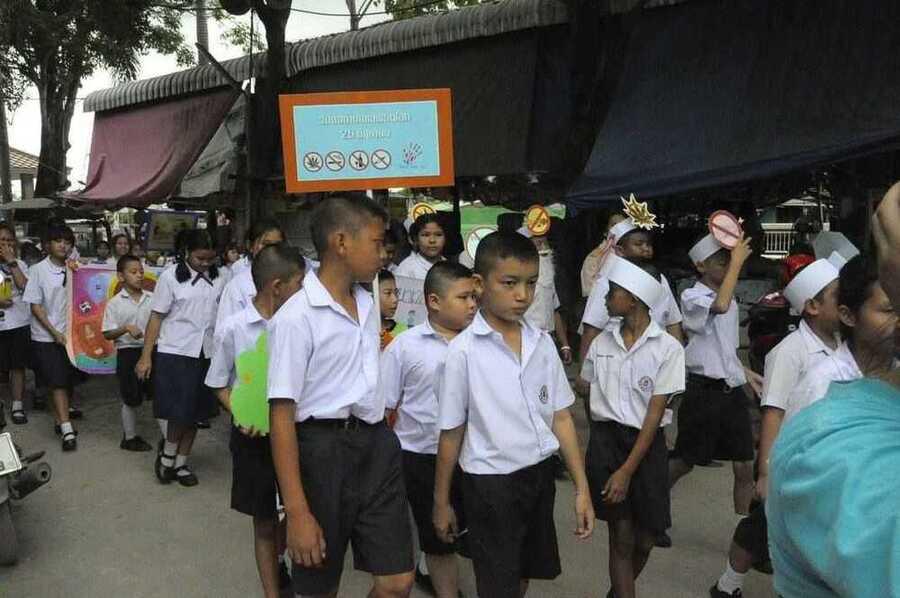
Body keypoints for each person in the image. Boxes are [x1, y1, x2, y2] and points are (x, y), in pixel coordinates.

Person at [268, 195, 415, 598]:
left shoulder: (368, 304)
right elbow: (281, 416)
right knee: (319, 585)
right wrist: (297, 511)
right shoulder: (296, 318)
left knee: (397, 581)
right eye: (377, 242)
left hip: (376, 445)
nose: (384, 253)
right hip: (322, 452)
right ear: (341, 242)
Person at [433, 231, 594, 598]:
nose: (523, 295)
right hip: (490, 485)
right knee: (497, 582)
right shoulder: (463, 353)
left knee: (524, 572)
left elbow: (561, 417)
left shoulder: (542, 343)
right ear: (479, 284)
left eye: (531, 283)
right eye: (509, 283)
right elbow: (451, 433)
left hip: (537, 477)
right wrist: (441, 502)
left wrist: (581, 488)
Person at [765, 185, 900, 598]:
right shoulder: (821, 398)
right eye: (888, 309)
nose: (895, 320)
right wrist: (765, 475)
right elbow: (776, 414)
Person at [708, 251, 844, 597]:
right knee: (761, 526)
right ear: (812, 306)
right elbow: (774, 411)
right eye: (838, 296)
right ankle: (728, 585)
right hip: (791, 459)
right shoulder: (789, 352)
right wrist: (766, 471)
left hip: (828, 458)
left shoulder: (843, 347)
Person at [581, 257, 685, 598]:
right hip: (607, 443)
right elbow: (587, 389)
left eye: (613, 292)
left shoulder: (668, 349)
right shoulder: (602, 343)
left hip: (645, 442)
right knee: (621, 535)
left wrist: (626, 471)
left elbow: (655, 414)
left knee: (647, 537)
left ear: (634, 300)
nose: (606, 298)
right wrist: (600, 443)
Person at [206, 244, 304, 598]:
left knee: (295, 509)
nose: (304, 290)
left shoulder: (302, 323)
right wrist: (241, 412)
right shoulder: (234, 328)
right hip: (254, 438)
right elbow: (218, 383)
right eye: (299, 283)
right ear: (277, 286)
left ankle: (283, 560)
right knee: (264, 519)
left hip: (298, 434)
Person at [381, 261, 477, 598]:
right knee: (439, 539)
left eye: (474, 297)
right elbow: (385, 406)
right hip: (421, 456)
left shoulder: (483, 343)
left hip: (475, 456)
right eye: (463, 297)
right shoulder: (405, 347)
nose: (472, 304)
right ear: (434, 301)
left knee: (478, 535)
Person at [667, 233, 759, 538]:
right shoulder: (692, 296)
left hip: (729, 391)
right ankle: (653, 507)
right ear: (700, 266)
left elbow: (722, 349)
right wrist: (737, 262)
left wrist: (745, 373)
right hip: (703, 392)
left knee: (744, 463)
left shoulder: (729, 298)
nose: (727, 266)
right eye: (720, 262)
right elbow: (718, 305)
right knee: (685, 461)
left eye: (728, 261)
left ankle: (740, 530)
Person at [136, 229, 226, 487]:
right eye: (200, 259)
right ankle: (167, 455)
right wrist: (145, 356)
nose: (205, 264)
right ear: (186, 252)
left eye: (210, 259)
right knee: (178, 412)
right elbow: (156, 317)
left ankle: (181, 462)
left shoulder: (222, 278)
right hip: (176, 352)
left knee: (197, 413)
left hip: (207, 353)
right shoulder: (170, 277)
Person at [579, 215, 684, 367]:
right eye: (638, 244)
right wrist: (584, 370)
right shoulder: (606, 281)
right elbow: (591, 329)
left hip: (656, 360)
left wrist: (678, 364)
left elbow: (673, 322)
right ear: (620, 250)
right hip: (615, 362)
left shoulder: (660, 279)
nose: (645, 248)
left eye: (648, 244)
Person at [22, 223, 79, 451]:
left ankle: (59, 419)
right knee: (56, 381)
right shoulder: (38, 270)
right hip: (46, 337)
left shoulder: (74, 268)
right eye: (58, 241)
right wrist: (54, 332)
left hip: (71, 336)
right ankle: (67, 429)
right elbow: (35, 306)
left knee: (67, 379)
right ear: (47, 245)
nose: (63, 245)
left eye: (67, 241)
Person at [102, 255, 155, 452]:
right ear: (121, 276)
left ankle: (169, 441)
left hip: (152, 350)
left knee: (159, 393)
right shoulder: (114, 303)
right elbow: (107, 333)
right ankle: (130, 437)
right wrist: (125, 328)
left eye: (141, 271)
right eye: (133, 272)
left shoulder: (152, 299)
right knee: (130, 396)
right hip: (128, 353)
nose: (139, 275)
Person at [519, 227, 573, 366]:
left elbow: (555, 311)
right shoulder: (517, 283)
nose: (544, 248)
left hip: (548, 340)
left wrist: (564, 345)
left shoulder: (547, 278)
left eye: (545, 243)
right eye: (538, 243)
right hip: (525, 342)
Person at [216, 220, 284, 328]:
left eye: (277, 245)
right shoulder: (236, 287)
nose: (272, 250)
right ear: (251, 246)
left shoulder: (292, 280)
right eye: (266, 244)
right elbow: (225, 332)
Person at [0, 223, 31, 426]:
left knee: (17, 365)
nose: (5, 244)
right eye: (2, 240)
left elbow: (26, 287)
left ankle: (17, 405)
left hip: (19, 322)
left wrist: (12, 263)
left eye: (9, 240)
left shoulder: (20, 264)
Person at [580, 212, 626, 298]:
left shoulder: (636, 253)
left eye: (622, 224)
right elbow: (589, 290)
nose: (618, 228)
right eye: (614, 225)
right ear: (605, 232)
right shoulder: (595, 257)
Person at [395, 213, 445, 279]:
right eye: (426, 235)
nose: (432, 240)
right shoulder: (406, 270)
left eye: (438, 235)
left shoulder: (450, 266)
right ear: (416, 239)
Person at [378, 269, 399, 349]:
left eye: (396, 293)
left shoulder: (402, 331)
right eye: (388, 293)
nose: (395, 299)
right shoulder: (363, 330)